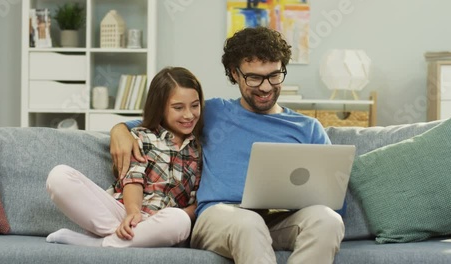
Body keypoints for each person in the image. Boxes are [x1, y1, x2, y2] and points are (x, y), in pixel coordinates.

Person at [110, 27, 344, 264]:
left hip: (280, 219)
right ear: (234, 73)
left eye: (274, 75)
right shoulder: (212, 112)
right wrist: (119, 130)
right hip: (219, 217)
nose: (265, 87)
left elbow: (334, 200)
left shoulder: (308, 128)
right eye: (254, 77)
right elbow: (153, 120)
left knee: (328, 220)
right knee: (248, 223)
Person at [45, 66, 204, 248]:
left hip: (161, 221)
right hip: (124, 211)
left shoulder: (200, 149)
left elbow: (196, 204)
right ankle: (125, 237)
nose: (189, 115)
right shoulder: (140, 136)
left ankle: (100, 243)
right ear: (160, 108)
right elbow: (133, 180)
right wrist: (132, 213)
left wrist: (168, 218)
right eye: (178, 107)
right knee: (59, 176)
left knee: (180, 221)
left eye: (195, 105)